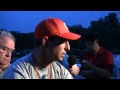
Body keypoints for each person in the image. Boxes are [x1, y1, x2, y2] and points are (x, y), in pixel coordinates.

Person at [2, 18, 81, 79]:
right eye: (63, 41)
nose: (68, 48)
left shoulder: (61, 71)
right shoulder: (17, 73)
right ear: (45, 41)